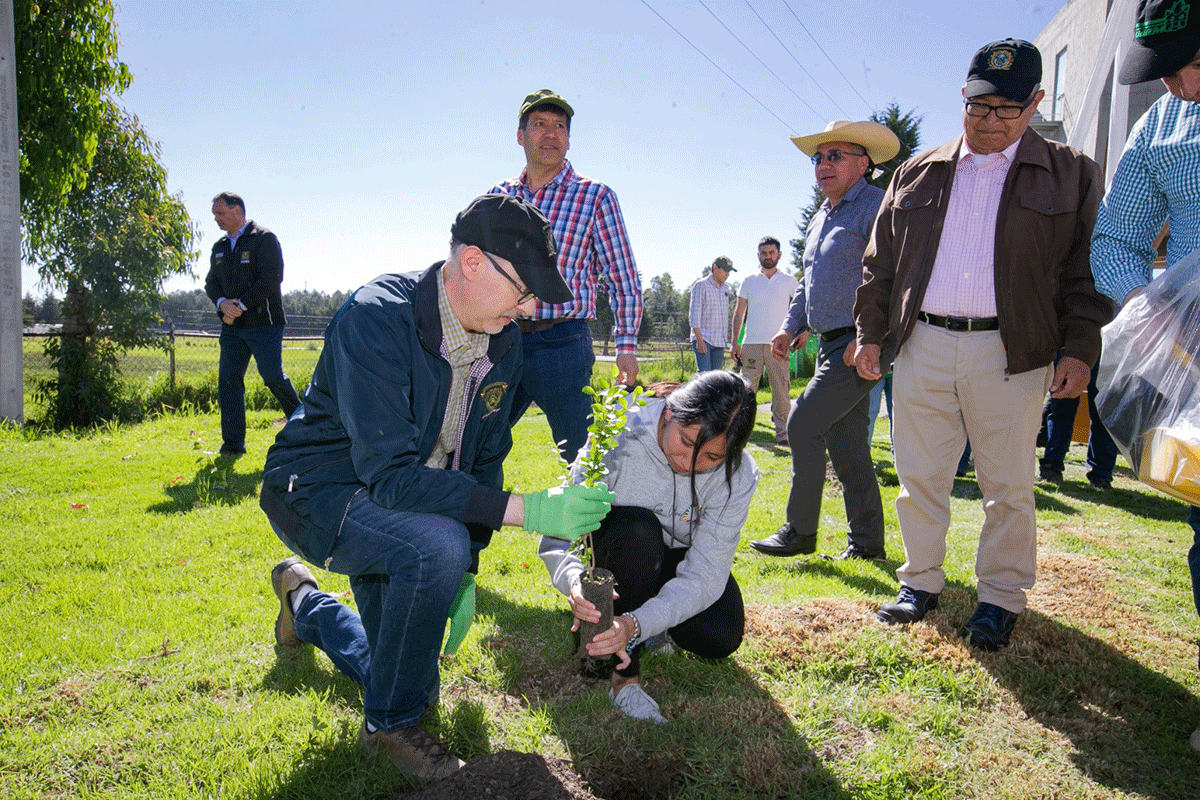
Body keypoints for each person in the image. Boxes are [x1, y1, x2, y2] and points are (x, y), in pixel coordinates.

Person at [258, 195, 615, 781]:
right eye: (522, 290)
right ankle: (389, 730)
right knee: (432, 555)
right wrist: (529, 512)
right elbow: (391, 476)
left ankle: (305, 604)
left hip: (402, 506)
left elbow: (485, 459)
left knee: (398, 676)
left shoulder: (504, 342)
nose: (527, 308)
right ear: (473, 262)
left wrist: (468, 567)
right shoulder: (375, 318)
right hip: (318, 491)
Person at [853, 39, 1112, 651]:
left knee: (1007, 486)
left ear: (1036, 103)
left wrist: (1078, 346)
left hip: (1012, 352)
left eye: (1009, 110)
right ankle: (919, 582)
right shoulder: (918, 170)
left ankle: (999, 597)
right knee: (919, 477)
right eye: (979, 107)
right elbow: (879, 265)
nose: (992, 122)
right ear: (962, 98)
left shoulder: (1070, 171)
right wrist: (869, 333)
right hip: (923, 346)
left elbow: (1087, 269)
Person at [1088, 0, 1200, 749]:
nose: (1177, 85)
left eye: (1186, 63)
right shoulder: (1160, 125)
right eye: (1162, 72)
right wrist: (1152, 304)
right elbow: (1115, 239)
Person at [539, 370, 758, 723]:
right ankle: (622, 680)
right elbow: (557, 535)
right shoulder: (618, 434)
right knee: (638, 530)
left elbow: (705, 575)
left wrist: (639, 624)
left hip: (670, 560)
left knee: (720, 635)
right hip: (624, 547)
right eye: (686, 443)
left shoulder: (738, 475)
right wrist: (575, 580)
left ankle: (648, 622)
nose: (690, 465)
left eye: (711, 459)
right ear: (670, 413)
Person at [749, 120, 900, 561]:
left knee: (801, 424)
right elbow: (808, 286)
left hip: (860, 344)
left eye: (835, 156)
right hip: (830, 344)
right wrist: (789, 326)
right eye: (818, 157)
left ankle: (800, 530)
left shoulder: (877, 207)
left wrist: (868, 336)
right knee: (849, 449)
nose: (822, 165)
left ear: (863, 164)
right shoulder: (820, 218)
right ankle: (868, 545)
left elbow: (894, 276)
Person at [489, 89, 643, 462]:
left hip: (562, 344)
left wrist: (626, 345)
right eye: (539, 124)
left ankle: (598, 522)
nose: (551, 133)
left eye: (560, 126)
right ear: (520, 135)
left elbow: (621, 276)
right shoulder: (498, 196)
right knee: (479, 444)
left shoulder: (594, 196)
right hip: (501, 341)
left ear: (569, 138)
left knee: (583, 456)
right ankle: (468, 521)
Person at [204, 192, 302, 456]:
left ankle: (307, 428)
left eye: (220, 213)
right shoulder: (220, 248)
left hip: (264, 324)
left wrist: (240, 306)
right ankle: (233, 445)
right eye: (214, 215)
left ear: (237, 210)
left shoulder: (264, 239)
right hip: (232, 329)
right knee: (228, 380)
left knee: (272, 378)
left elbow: (271, 278)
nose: (216, 219)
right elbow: (210, 284)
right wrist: (222, 303)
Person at [730, 236, 799, 445]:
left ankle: (783, 435)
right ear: (758, 255)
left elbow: (799, 309)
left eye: (771, 252)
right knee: (747, 391)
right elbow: (739, 312)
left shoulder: (789, 281)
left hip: (778, 345)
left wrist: (801, 333)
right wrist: (735, 341)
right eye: (763, 253)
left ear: (779, 254)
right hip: (750, 344)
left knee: (781, 391)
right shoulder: (749, 281)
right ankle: (742, 433)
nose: (767, 256)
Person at [1038, 356, 1118, 489]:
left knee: (1103, 411)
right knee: (1062, 405)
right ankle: (1052, 467)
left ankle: (1100, 475)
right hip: (1073, 346)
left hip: (1099, 348)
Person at [688, 256, 735, 372]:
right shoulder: (701, 286)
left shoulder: (725, 289)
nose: (727, 274)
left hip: (719, 341)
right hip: (704, 339)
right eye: (724, 270)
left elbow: (724, 316)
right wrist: (699, 340)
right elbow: (694, 315)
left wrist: (727, 339)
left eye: (729, 271)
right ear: (714, 268)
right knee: (705, 376)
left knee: (716, 379)